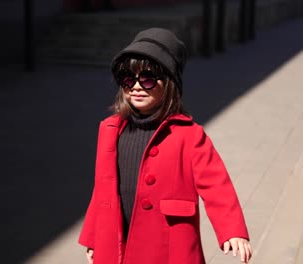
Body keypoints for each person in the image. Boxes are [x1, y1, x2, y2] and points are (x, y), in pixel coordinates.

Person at [78, 28, 252, 264]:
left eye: (148, 78)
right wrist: (93, 236)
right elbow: (102, 190)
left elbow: (216, 184)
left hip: (169, 243)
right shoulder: (111, 130)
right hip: (119, 238)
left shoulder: (189, 135)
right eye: (128, 78)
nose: (137, 86)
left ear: (170, 83)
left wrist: (232, 229)